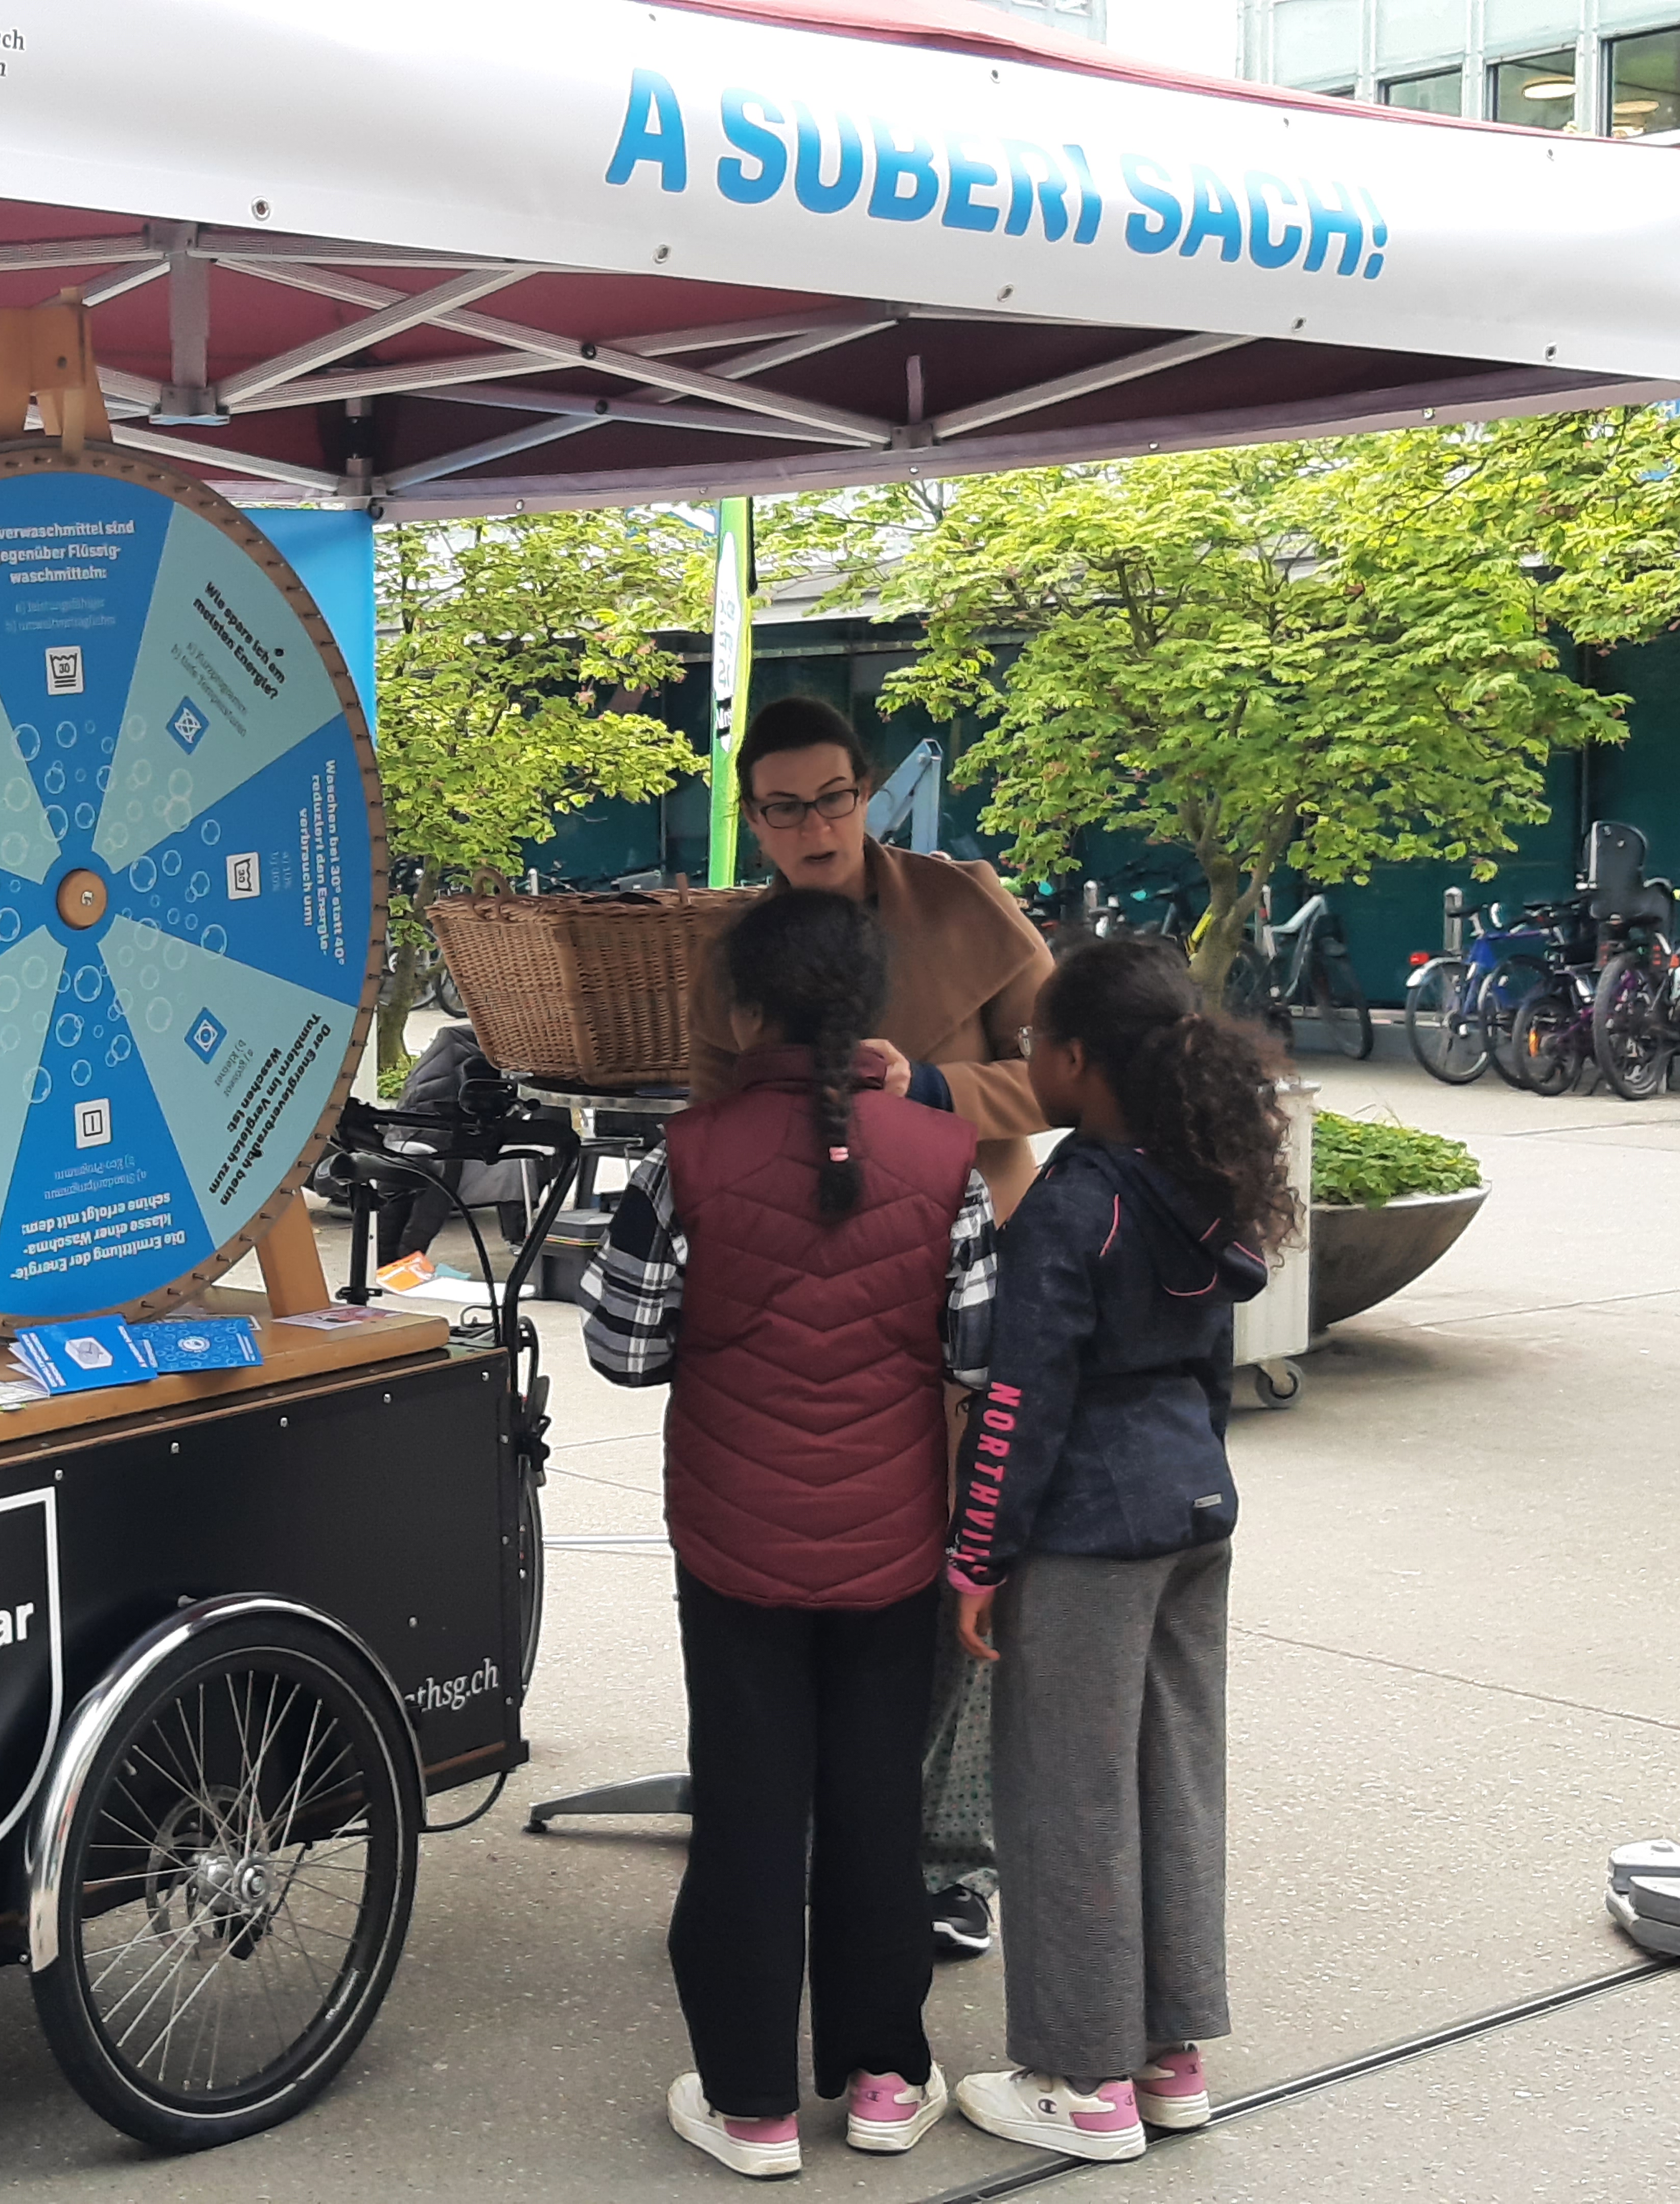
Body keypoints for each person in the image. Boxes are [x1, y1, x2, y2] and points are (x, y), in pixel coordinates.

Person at [581, 890, 998, 2176]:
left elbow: (622, 1348)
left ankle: (752, 2104)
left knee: (749, 1809)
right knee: (876, 1805)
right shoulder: (947, 1157)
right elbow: (976, 1351)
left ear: (748, 1007)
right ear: (869, 1006)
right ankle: (886, 2079)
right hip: (889, 1543)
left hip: (733, 1543)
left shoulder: (685, 1154)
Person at [687, 694, 1056, 1961]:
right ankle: (810, 1841)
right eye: (785, 808)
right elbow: (713, 1109)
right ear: (755, 819)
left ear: (868, 792)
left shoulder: (965, 906)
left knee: (963, 1574)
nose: (816, 827)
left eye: (835, 798)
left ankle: (947, 1858)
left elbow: (1070, 1068)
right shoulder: (737, 949)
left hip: (972, 1291)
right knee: (805, 1582)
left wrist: (935, 1085)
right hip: (801, 1310)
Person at [944, 936, 1296, 2164]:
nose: (1027, 1059)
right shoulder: (1201, 1180)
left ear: (1078, 1059)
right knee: (1174, 1778)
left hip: (1089, 1532)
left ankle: (1083, 2078)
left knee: (1070, 1795)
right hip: (1195, 1509)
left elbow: (1023, 1398)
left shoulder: (1072, 1201)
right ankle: (1169, 2055)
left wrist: (977, 1554)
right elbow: (1211, 1370)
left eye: (1034, 1041)